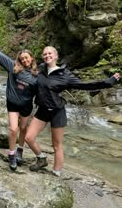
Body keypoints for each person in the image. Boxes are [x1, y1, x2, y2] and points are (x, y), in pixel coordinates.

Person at [25, 46, 120, 176]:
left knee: (56, 145)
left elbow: (85, 85)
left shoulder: (65, 74)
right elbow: (23, 68)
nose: (47, 56)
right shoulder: (40, 69)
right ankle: (41, 159)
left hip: (57, 112)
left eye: (50, 53)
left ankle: (56, 173)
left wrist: (108, 82)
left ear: (56, 56)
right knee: (29, 138)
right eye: (45, 54)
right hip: (42, 110)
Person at [0, 40, 38, 171]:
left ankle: (20, 149)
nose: (25, 60)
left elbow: (44, 88)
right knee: (13, 129)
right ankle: (11, 154)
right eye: (22, 59)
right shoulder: (13, 67)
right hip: (13, 105)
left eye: (27, 58)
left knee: (23, 128)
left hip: (26, 106)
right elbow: (1, 57)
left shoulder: (37, 74)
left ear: (31, 58)